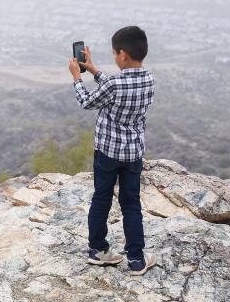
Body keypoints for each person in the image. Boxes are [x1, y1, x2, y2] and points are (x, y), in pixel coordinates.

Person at [69, 25, 156, 276]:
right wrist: (93, 69)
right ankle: (137, 259)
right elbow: (117, 85)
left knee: (101, 199)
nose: (114, 57)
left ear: (122, 55)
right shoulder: (149, 79)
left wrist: (77, 77)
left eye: (115, 53)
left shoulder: (115, 84)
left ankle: (97, 250)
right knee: (131, 204)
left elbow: (87, 102)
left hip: (107, 152)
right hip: (133, 155)